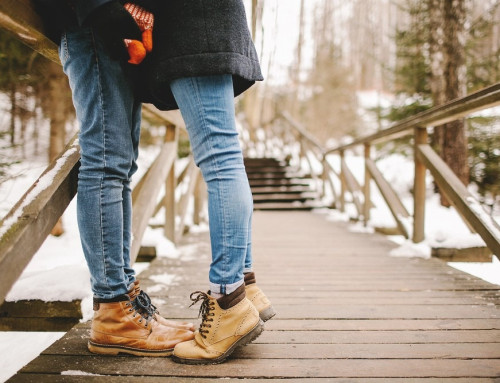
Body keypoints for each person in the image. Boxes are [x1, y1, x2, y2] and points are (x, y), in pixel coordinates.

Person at [35, 0, 275, 364]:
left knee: (120, 165)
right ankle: (118, 307)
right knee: (109, 164)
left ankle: (211, 299)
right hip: (94, 20)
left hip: (133, 26)